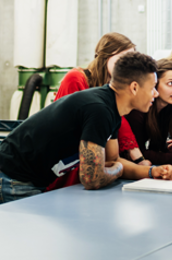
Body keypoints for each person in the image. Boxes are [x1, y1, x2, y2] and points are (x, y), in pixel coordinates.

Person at [0, 52, 172, 205]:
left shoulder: (112, 109)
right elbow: (92, 178)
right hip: (11, 177)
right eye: (153, 87)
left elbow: (113, 161)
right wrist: (116, 169)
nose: (155, 93)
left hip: (24, 177)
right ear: (134, 87)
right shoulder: (100, 110)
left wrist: (151, 172)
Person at [47, 33, 148, 191]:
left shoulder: (111, 92)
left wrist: (140, 160)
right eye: (123, 59)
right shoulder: (76, 79)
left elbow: (118, 123)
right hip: (63, 169)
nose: (129, 67)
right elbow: (68, 133)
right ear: (105, 57)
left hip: (84, 171)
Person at [122, 59, 172, 166]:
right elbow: (140, 155)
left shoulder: (169, 107)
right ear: (154, 84)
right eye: (170, 83)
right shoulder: (137, 111)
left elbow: (157, 149)